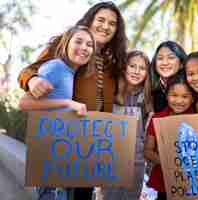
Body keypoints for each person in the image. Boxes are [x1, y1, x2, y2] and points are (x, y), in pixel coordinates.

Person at [17, 2, 127, 199]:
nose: (105, 26)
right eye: (100, 20)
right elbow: (32, 70)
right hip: (66, 140)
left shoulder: (115, 61)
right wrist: (32, 80)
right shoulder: (71, 45)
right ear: (90, 20)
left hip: (94, 145)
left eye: (112, 23)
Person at [19, 25, 96, 200]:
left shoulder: (71, 73)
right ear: (66, 43)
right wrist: (68, 103)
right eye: (78, 41)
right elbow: (24, 102)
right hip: (49, 159)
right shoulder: (56, 67)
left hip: (62, 158)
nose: (84, 47)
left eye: (89, 44)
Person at [97, 50, 152, 200]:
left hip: (136, 163)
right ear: (124, 68)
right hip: (110, 160)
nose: (136, 71)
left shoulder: (147, 98)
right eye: (132, 66)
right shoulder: (111, 93)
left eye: (142, 68)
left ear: (147, 73)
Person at [144, 70, 195, 200]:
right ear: (166, 96)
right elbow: (147, 151)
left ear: (193, 98)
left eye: (185, 96)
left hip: (191, 181)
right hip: (164, 179)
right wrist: (168, 163)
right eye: (174, 95)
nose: (179, 101)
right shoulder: (158, 118)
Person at [150, 41, 187, 112]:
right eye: (160, 58)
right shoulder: (150, 91)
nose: (165, 63)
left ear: (181, 63)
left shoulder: (191, 87)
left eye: (171, 57)